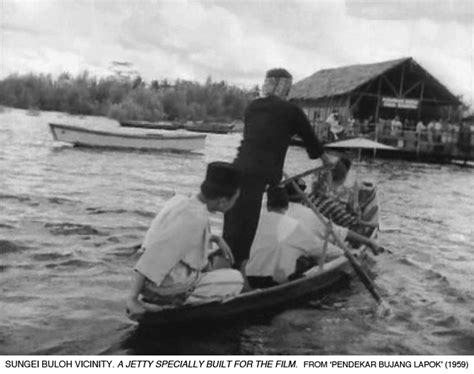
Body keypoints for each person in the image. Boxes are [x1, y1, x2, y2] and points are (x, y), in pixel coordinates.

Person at [223, 68, 331, 271]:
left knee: (232, 226)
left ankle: (225, 267)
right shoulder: (291, 111)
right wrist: (325, 160)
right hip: (257, 176)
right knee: (246, 231)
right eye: (288, 87)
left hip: (236, 171)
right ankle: (238, 280)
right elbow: (311, 140)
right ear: (284, 87)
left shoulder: (252, 107)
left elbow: (262, 139)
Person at [126, 162, 244, 319]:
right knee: (236, 280)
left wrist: (215, 238)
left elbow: (176, 237)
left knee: (213, 259)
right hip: (162, 288)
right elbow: (153, 255)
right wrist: (132, 299)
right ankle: (174, 304)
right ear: (222, 201)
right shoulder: (195, 218)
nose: (235, 203)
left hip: (157, 282)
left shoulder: (182, 201)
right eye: (235, 199)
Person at [245, 187, 344, 288]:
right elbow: (325, 249)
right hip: (274, 281)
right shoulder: (295, 226)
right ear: (287, 207)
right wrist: (344, 253)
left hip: (248, 277)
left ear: (268, 206)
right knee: (308, 262)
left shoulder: (255, 220)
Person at [284, 181, 383, 254]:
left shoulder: (307, 202)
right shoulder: (315, 210)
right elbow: (344, 227)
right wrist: (369, 241)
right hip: (309, 248)